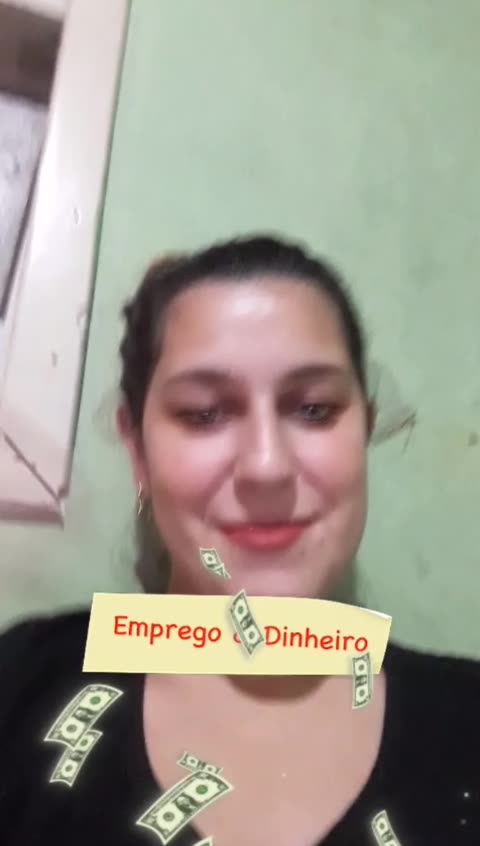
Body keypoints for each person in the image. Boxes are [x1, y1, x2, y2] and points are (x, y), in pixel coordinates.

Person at [0, 235, 479, 846]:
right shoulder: (20, 690)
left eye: (314, 409)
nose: (266, 466)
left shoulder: (466, 720)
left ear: (364, 429)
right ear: (137, 450)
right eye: (203, 413)